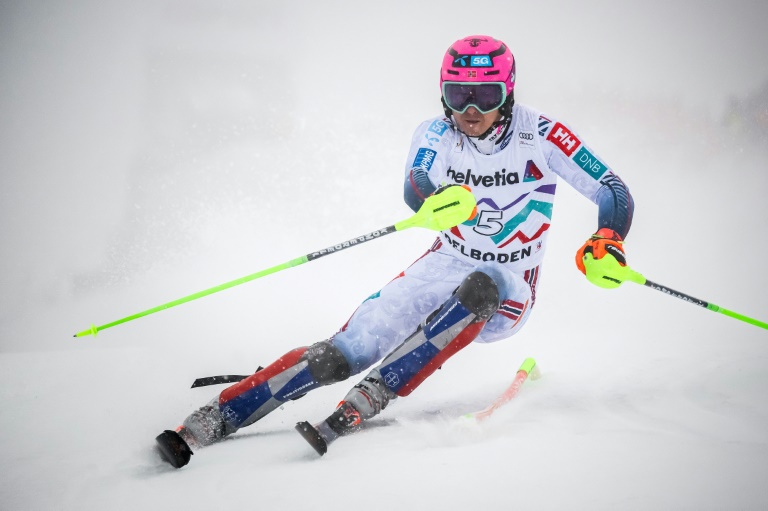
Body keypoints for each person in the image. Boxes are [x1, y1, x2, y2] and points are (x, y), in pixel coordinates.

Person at [155, 34, 634, 467]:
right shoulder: (436, 133)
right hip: (445, 263)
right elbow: (416, 184)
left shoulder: (544, 135)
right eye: (458, 94)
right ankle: (216, 418)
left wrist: (608, 237)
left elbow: (611, 187)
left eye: (486, 95)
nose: (471, 109)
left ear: (507, 93)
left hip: (510, 288)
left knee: (482, 287)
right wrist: (432, 204)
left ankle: (374, 393)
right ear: (442, 94)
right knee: (342, 353)